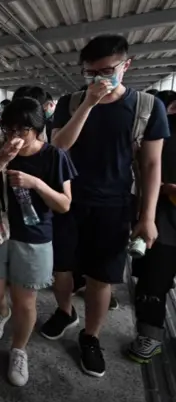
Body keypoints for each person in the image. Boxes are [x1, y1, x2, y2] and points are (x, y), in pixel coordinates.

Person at [44, 34, 169, 378]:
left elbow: (150, 166)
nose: (99, 78)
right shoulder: (71, 103)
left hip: (114, 206)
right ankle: (66, 312)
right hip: (67, 202)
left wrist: (147, 217)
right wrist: (88, 103)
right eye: (90, 72)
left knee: (101, 279)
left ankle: (91, 336)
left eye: (107, 70)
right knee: (61, 270)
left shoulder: (146, 107)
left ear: (126, 65)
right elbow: (58, 148)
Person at [0, 97, 75, 386]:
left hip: (34, 235)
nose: (15, 136)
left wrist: (36, 184)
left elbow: (65, 204)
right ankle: (1, 314)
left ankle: (18, 349)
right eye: (9, 128)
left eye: (23, 130)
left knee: (25, 300)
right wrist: (2, 158)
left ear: (38, 129)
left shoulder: (54, 156)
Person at [127, 90, 176, 363]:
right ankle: (150, 333)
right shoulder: (166, 128)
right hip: (165, 215)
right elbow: (148, 165)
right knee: (155, 276)